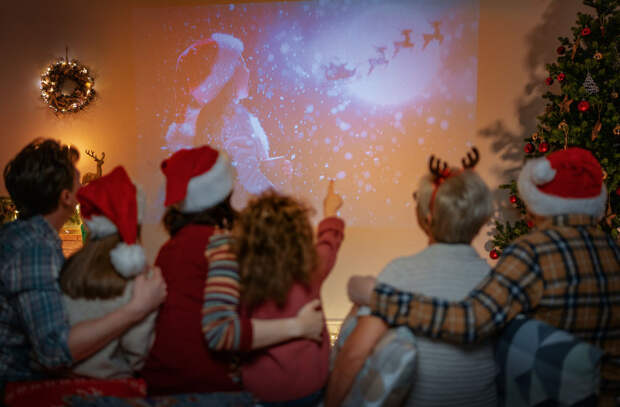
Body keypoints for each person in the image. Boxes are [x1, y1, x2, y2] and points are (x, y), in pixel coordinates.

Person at [348, 147, 620, 405]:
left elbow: (470, 322)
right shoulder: (613, 250)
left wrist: (378, 295)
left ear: (539, 202)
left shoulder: (533, 253)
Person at [140, 145, 323, 395]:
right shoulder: (220, 245)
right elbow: (220, 331)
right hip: (202, 388)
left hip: (159, 384)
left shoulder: (169, 249)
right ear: (225, 193)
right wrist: (299, 326)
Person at [326, 149, 496, 407]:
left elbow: (355, 354)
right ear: (480, 218)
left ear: (427, 217)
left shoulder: (400, 273)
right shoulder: (493, 278)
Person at [0, 139, 166, 396]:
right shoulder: (35, 249)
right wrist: (137, 308)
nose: (83, 187)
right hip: (19, 384)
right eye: (78, 180)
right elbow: (53, 352)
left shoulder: (23, 236)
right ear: (66, 197)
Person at [203, 180, 345, 406]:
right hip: (309, 388)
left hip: (261, 391)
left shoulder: (242, 275)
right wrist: (330, 211)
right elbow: (328, 243)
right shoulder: (312, 268)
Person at [165, 33, 289, 208]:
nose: (248, 70)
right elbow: (249, 179)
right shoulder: (235, 117)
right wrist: (285, 207)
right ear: (227, 75)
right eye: (242, 63)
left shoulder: (214, 120)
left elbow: (232, 169)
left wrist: (264, 166)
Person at [59, 166, 157, 379]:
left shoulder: (69, 267)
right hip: (115, 385)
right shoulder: (137, 277)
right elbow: (139, 352)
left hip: (64, 383)